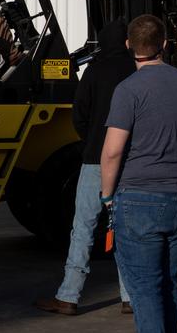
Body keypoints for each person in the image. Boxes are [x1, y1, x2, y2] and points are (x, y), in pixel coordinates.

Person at [100, 15, 177, 333]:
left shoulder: (128, 90)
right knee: (169, 285)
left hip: (139, 200)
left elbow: (112, 151)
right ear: (164, 44)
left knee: (145, 291)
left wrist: (107, 196)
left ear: (128, 45)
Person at [36, 19, 136, 317]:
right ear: (127, 42)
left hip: (95, 160)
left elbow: (78, 114)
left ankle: (68, 296)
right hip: (128, 161)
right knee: (125, 229)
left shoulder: (94, 70)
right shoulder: (135, 70)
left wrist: (91, 139)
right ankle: (130, 297)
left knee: (83, 228)